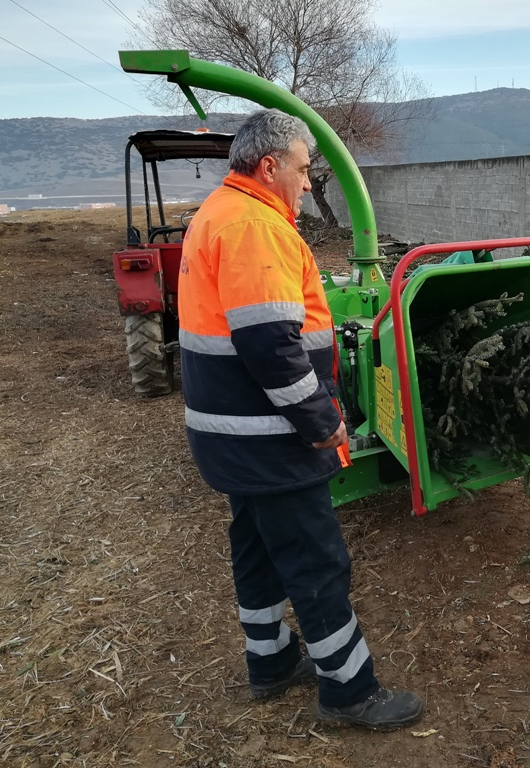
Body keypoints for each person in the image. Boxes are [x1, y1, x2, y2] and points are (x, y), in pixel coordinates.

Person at [178, 108, 423, 728]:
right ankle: (349, 692)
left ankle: (271, 661)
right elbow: (270, 344)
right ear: (269, 166)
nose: (309, 182)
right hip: (269, 438)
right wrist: (320, 420)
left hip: (230, 435)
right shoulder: (254, 227)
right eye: (304, 168)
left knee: (257, 546)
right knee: (316, 560)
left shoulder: (217, 214)